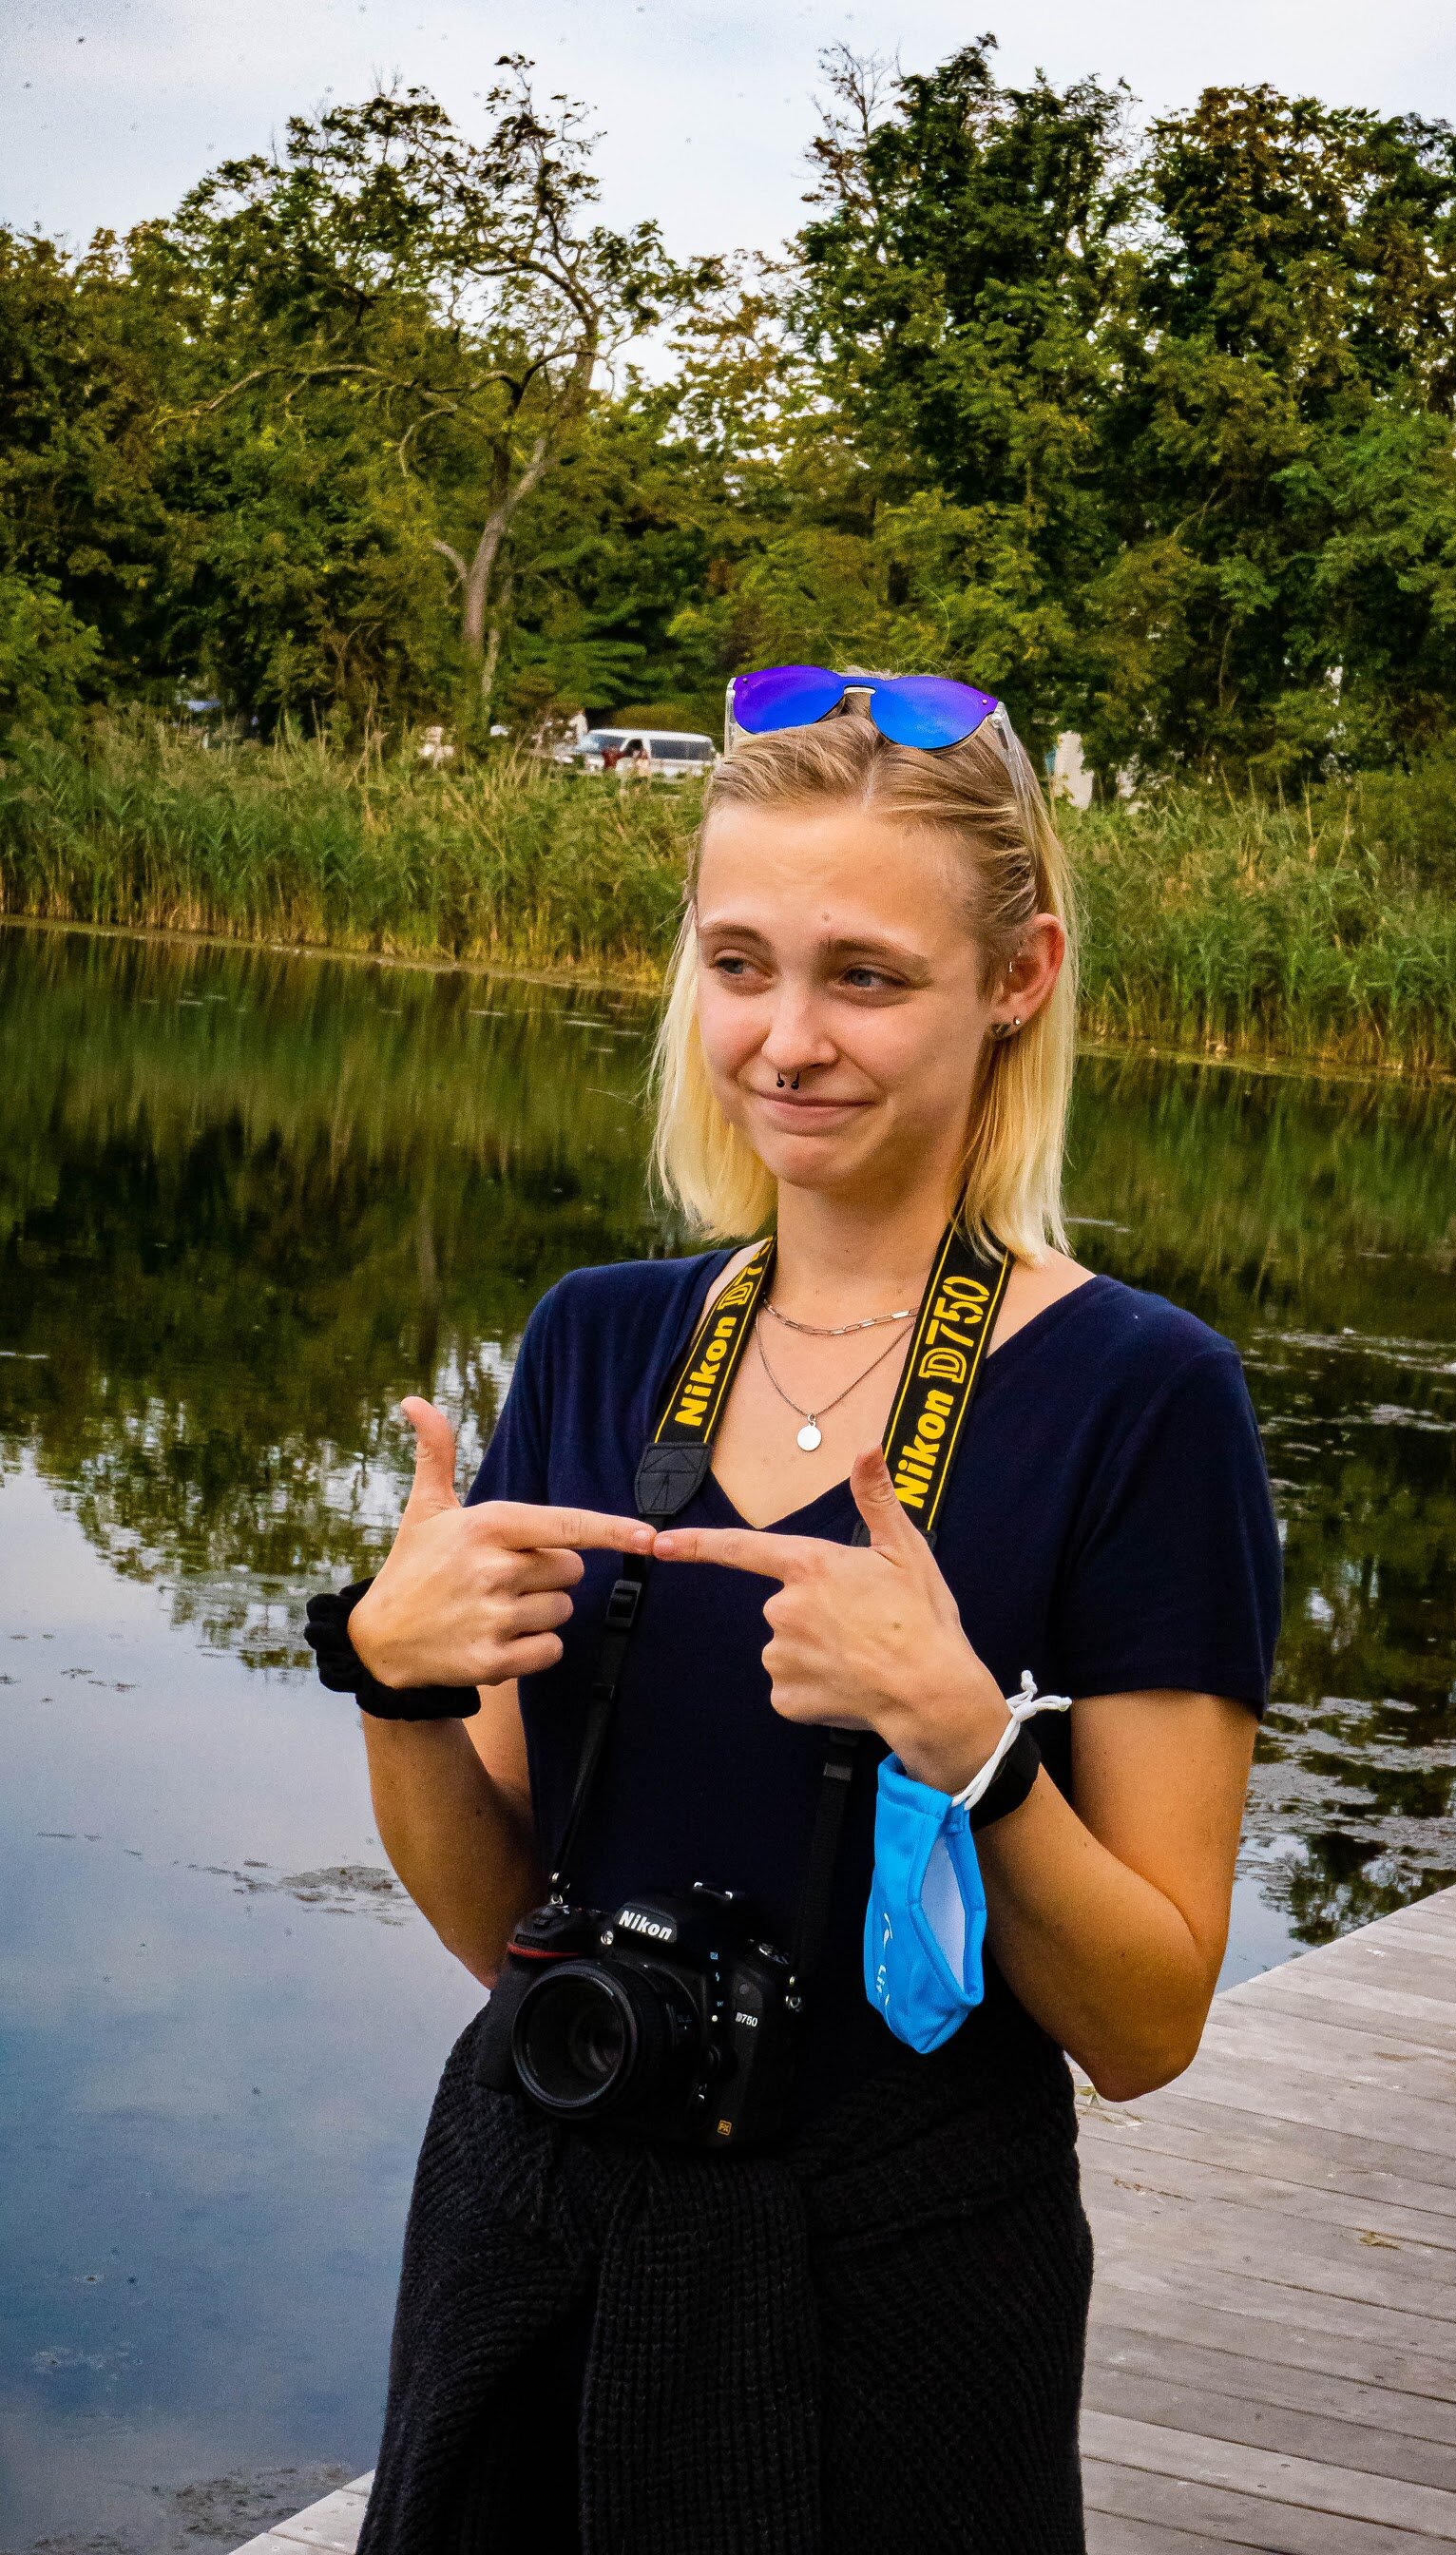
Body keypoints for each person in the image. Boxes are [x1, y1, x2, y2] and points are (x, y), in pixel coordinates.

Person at [316, 670, 1281, 2554]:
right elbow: (498, 1924)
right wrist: (387, 1681)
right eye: (737, 962)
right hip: (536, 2207)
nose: (783, 1040)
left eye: (863, 975)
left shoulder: (1139, 1401)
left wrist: (969, 1744)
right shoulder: (600, 1339)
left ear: (1015, 978)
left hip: (897, 2286)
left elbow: (1147, 2022)